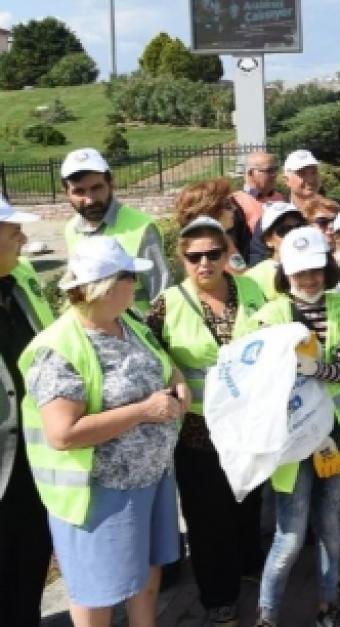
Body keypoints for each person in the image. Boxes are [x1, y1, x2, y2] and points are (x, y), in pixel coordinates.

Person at [21, 236, 185, 627]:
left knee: (146, 574)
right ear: (108, 287)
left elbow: (162, 362)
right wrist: (144, 411)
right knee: (99, 592)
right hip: (99, 493)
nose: (137, 285)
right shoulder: (59, 348)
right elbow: (62, 433)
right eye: (131, 277)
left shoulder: (127, 320)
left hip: (151, 478)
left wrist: (177, 383)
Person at [243, 227, 340, 627]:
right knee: (290, 536)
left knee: (329, 527)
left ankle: (328, 606)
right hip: (293, 443)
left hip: (336, 438)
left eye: (315, 270)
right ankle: (267, 615)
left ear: (327, 269)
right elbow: (260, 378)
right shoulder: (270, 315)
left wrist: (313, 367)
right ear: (285, 274)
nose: (308, 280)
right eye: (299, 273)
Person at [148, 217, 268, 625]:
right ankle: (218, 595)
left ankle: (249, 563)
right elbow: (153, 359)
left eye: (213, 254)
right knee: (206, 516)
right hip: (198, 431)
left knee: (247, 499)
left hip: (248, 425)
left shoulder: (251, 289)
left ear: (226, 254)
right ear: (182, 259)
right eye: (194, 256)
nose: (204, 263)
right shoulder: (168, 303)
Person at [0, 199, 55, 627]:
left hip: (34, 454)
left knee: (32, 553)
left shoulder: (21, 276)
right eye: (12, 229)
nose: (24, 237)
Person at [61, 148, 169, 309]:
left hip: (137, 330)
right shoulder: (71, 230)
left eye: (96, 188)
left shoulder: (142, 227)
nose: (89, 200)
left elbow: (161, 294)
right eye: (79, 191)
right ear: (66, 194)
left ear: (111, 185)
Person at [174, 177, 251, 272]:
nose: (234, 208)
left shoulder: (225, 239)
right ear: (210, 211)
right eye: (227, 204)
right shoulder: (205, 246)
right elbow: (240, 275)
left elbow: (242, 275)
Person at [243, 202, 307, 295]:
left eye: (299, 227)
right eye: (284, 230)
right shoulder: (253, 278)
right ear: (268, 240)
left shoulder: (318, 268)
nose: (293, 234)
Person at [233, 151, 284, 234]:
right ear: (251, 173)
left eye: (275, 170)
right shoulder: (236, 202)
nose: (274, 174)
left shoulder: (279, 197)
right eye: (269, 170)